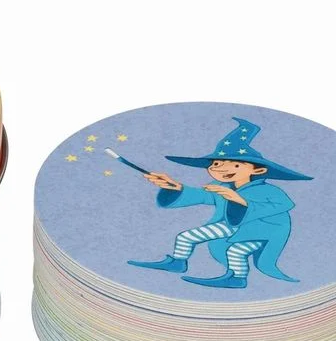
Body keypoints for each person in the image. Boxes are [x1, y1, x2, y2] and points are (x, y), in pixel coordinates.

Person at [128, 118, 312, 289]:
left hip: (262, 231)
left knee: (236, 251)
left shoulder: (268, 190)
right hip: (232, 226)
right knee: (186, 236)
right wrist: (175, 187)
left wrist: (239, 200)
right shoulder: (222, 186)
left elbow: (283, 205)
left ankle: (237, 278)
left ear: (258, 170)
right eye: (215, 164)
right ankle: (177, 263)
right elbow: (203, 195)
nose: (220, 169)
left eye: (236, 165)